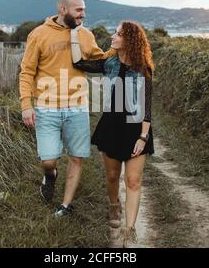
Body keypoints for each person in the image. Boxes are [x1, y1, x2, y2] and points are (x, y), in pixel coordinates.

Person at [19, 0, 116, 217]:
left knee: (76, 156)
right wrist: (26, 104)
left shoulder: (85, 35)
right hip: (46, 106)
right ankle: (50, 175)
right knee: (48, 160)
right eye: (78, 10)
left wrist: (120, 48)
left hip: (77, 106)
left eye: (83, 10)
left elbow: (100, 60)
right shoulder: (39, 34)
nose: (83, 14)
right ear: (63, 10)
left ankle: (65, 205)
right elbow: (27, 72)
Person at [72, 21, 154, 247]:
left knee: (133, 180)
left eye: (118, 34)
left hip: (136, 127)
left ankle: (129, 230)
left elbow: (147, 107)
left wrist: (143, 137)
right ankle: (113, 205)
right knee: (111, 177)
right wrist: (73, 33)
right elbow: (79, 62)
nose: (113, 37)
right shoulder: (108, 63)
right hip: (111, 125)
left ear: (129, 40)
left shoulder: (143, 68)